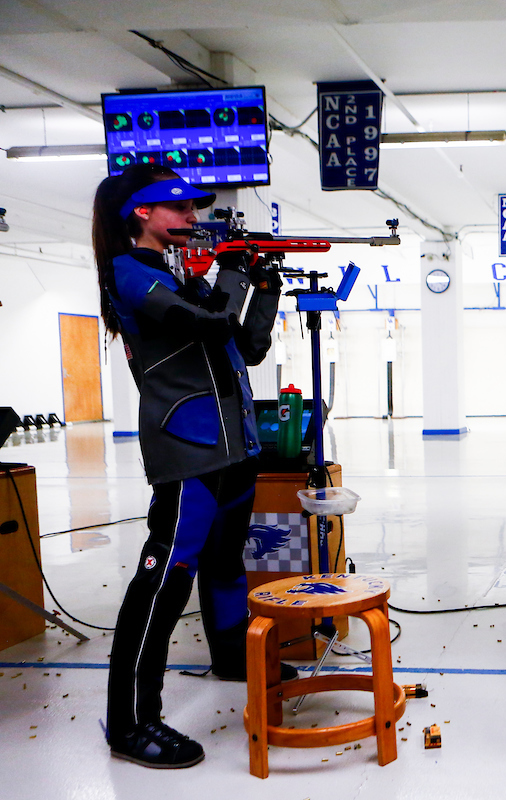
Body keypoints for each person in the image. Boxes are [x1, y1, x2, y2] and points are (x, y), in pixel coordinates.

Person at [93, 163, 291, 768]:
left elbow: (245, 345)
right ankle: (130, 721)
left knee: (227, 562)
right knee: (163, 580)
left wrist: (266, 283)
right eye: (178, 209)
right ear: (141, 214)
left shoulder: (178, 276)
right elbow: (208, 325)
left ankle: (231, 656)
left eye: (193, 209)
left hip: (234, 449)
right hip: (188, 453)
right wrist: (233, 275)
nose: (192, 218)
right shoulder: (129, 275)